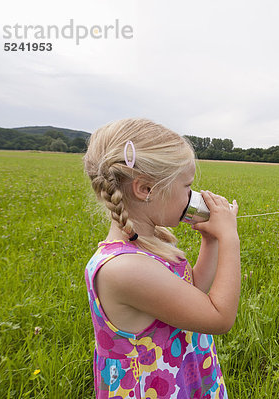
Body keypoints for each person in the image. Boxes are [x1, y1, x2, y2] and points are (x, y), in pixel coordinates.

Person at [83, 118, 240, 398]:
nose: (194, 195)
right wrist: (230, 238)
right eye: (187, 186)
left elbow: (191, 294)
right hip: (157, 388)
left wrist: (211, 239)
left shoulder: (147, 243)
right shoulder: (125, 268)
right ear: (145, 189)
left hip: (181, 377)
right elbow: (219, 318)